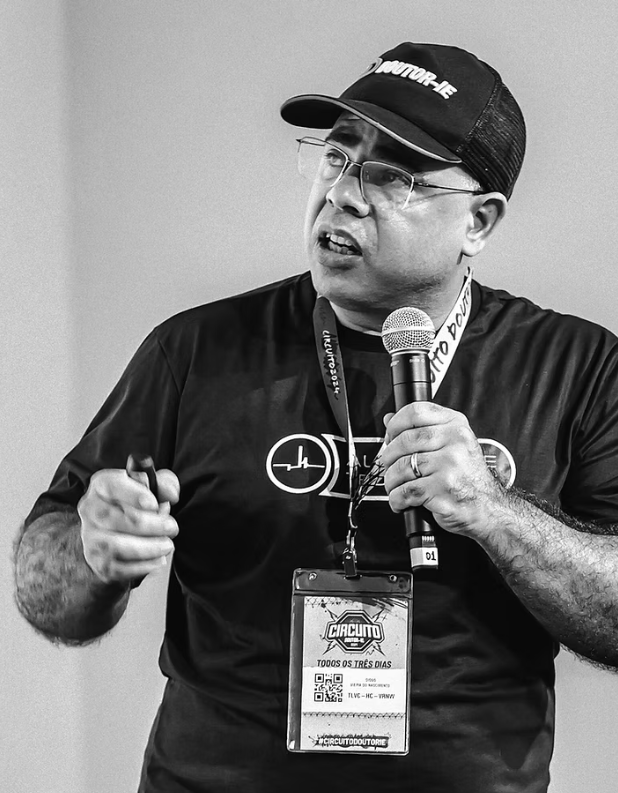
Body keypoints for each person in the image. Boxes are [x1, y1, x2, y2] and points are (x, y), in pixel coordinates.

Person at [13, 40, 618, 793]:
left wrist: (494, 512)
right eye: (337, 156)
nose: (344, 194)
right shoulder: (196, 351)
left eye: (393, 175)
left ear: (480, 221)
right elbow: (46, 590)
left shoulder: (577, 368)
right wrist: (91, 554)